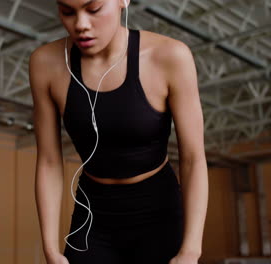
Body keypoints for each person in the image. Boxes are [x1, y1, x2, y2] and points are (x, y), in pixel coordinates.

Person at [29, 0, 208, 263]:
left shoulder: (170, 56)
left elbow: (193, 158)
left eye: (94, 9)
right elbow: (48, 160)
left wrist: (191, 250)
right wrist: (50, 248)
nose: (80, 25)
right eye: (67, 12)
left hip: (158, 212)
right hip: (93, 213)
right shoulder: (45, 63)